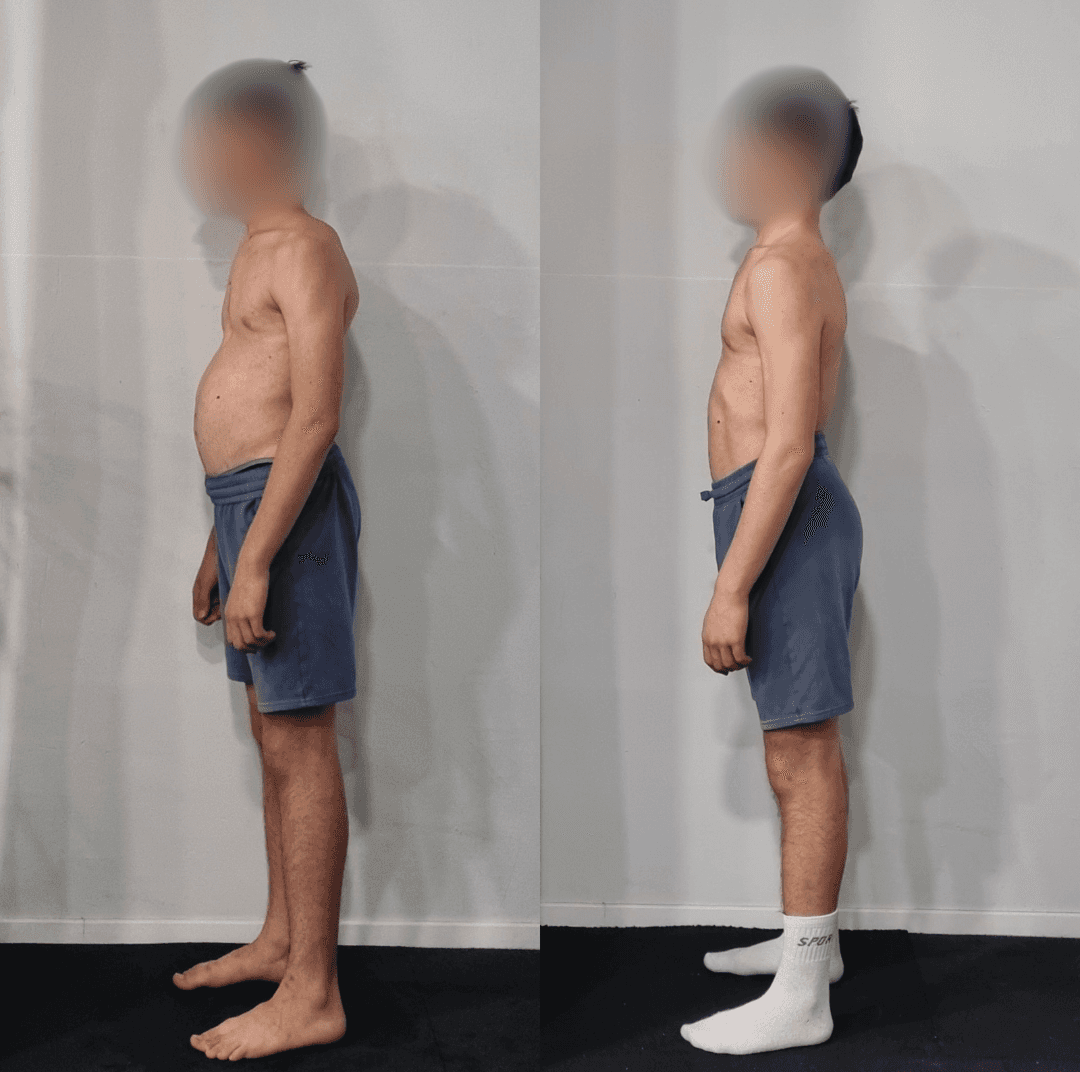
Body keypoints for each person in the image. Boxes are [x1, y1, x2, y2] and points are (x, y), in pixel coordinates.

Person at [174, 59, 360, 1060]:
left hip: (290, 517)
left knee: (300, 742)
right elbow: (255, 402)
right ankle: (284, 938)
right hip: (245, 512)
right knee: (270, 737)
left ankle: (315, 991)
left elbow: (315, 416)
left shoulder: (307, 249)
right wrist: (221, 541)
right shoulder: (256, 250)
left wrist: (258, 561)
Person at [680, 67, 864, 1055]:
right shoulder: (779, 258)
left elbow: (789, 440)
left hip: (782, 519)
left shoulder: (786, 268)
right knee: (789, 742)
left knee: (805, 747)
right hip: (762, 513)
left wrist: (730, 585)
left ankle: (804, 995)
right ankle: (810, 949)